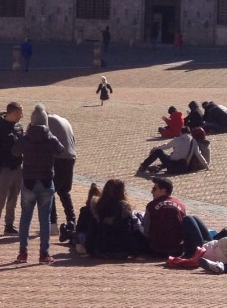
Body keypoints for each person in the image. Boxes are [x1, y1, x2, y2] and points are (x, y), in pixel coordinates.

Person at [12, 103, 63, 264]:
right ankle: (44, 253)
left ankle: (23, 252)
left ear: (32, 122)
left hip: (28, 182)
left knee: (25, 218)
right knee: (45, 220)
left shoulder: (26, 139)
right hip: (46, 182)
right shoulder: (50, 139)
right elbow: (61, 150)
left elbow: (14, 151)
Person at [142, 177, 209, 258]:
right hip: (178, 249)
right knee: (192, 218)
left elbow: (145, 231)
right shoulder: (181, 205)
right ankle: (209, 245)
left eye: (154, 188)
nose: (152, 191)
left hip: (157, 249)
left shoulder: (151, 205)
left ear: (163, 191)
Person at [77, 181, 145, 258]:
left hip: (101, 250)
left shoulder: (98, 207)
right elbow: (127, 232)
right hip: (121, 251)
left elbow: (92, 231)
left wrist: (90, 251)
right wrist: (135, 253)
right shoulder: (124, 208)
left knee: (81, 234)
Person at [0, 101, 24, 239]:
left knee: (13, 199)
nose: (22, 116)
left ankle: (9, 226)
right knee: (0, 200)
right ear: (13, 113)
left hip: (17, 168)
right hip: (3, 169)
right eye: (20, 113)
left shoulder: (19, 127)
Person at [46, 109, 76, 237]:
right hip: (71, 157)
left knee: (49, 191)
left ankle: (53, 225)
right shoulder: (63, 120)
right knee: (64, 191)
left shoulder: (47, 122)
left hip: (59, 159)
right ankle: (72, 221)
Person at [137, 126, 210, 175]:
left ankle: (143, 166)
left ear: (181, 133)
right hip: (183, 168)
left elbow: (166, 146)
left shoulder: (177, 140)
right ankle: (157, 167)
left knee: (158, 152)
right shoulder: (194, 142)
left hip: (172, 166)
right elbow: (199, 155)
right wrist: (206, 166)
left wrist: (155, 148)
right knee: (171, 155)